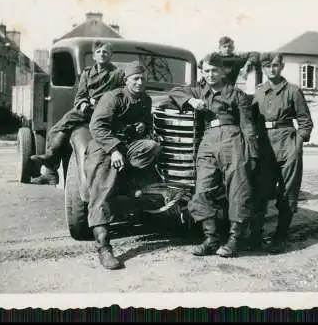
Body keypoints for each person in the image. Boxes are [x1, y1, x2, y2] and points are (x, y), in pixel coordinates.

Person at [168, 52, 259, 258]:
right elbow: (174, 92)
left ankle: (234, 240)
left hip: (232, 139)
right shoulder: (199, 90)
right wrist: (191, 100)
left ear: (223, 71)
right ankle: (212, 238)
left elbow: (248, 126)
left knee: (238, 191)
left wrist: (252, 154)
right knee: (201, 190)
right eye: (206, 70)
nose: (210, 74)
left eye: (214, 70)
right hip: (208, 140)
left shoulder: (236, 94)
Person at [84, 60, 162, 270]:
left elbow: (146, 126)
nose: (139, 82)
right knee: (101, 192)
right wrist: (114, 150)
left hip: (129, 146)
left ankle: (128, 178)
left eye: (143, 78)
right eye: (135, 78)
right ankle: (104, 248)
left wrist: (142, 126)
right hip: (104, 146)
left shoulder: (145, 99)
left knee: (152, 146)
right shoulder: (113, 97)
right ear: (126, 80)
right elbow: (97, 126)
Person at [30, 41, 125, 185]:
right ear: (94, 56)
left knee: (64, 129)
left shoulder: (117, 74)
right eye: (98, 52)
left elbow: (121, 95)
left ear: (111, 55)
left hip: (105, 112)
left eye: (105, 52)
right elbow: (80, 95)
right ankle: (51, 166)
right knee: (59, 129)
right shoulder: (87, 73)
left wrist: (102, 102)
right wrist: (83, 103)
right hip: (87, 110)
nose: (102, 55)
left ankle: (50, 163)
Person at [250, 52, 313, 254]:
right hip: (265, 145)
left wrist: (298, 144)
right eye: (267, 66)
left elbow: (305, 122)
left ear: (282, 66)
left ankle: (280, 235)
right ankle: (255, 235)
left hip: (287, 142)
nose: (272, 69)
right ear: (263, 69)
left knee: (287, 192)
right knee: (260, 190)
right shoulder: (258, 92)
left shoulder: (293, 91)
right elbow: (250, 120)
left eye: (275, 65)